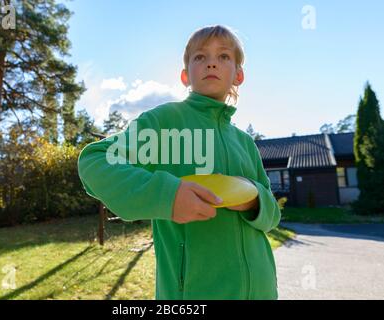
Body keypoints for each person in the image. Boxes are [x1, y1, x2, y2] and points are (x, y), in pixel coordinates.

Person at [77, 25, 281, 300]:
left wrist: (255, 201)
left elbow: (272, 216)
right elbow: (95, 161)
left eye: (223, 56)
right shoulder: (165, 123)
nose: (211, 62)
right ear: (186, 76)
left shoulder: (245, 142)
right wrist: (167, 195)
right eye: (200, 57)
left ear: (238, 75)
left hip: (262, 292)